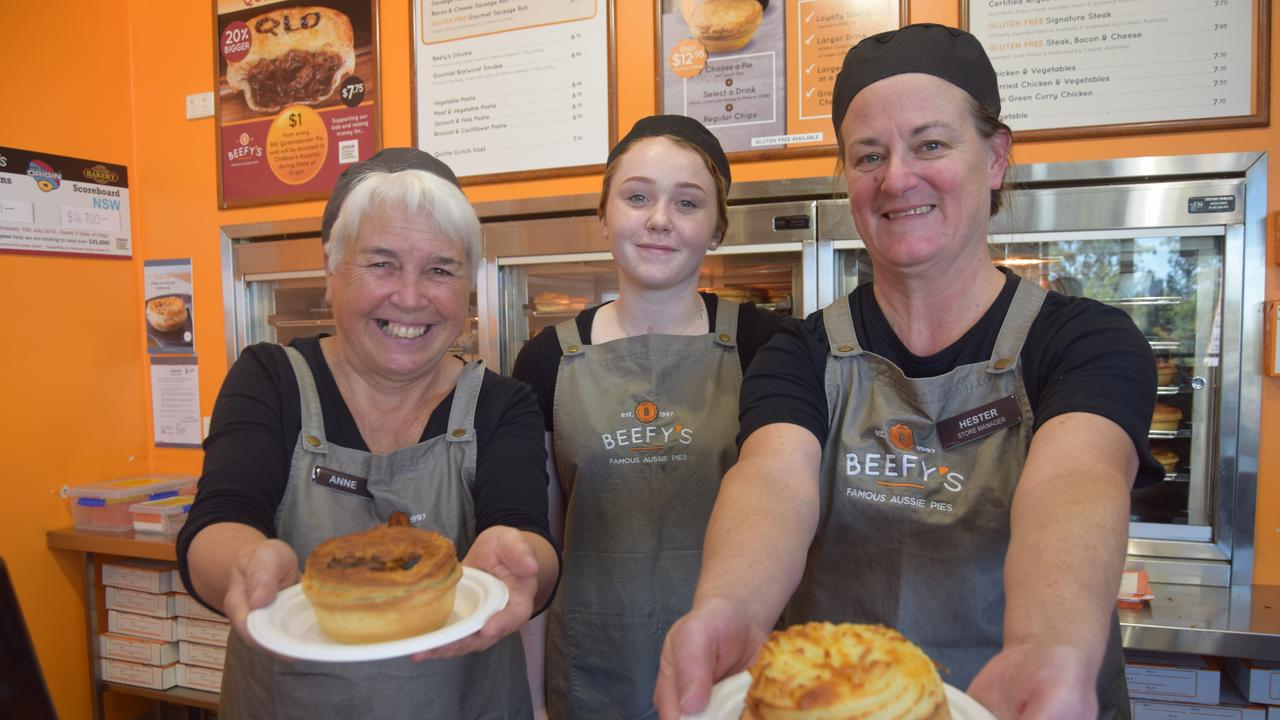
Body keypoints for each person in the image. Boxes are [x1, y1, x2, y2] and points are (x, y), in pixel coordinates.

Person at [654, 24, 1162, 720]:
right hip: (830, 703)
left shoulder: (1084, 341)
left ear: (995, 157)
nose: (896, 178)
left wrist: (1051, 645)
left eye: (930, 144)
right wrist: (729, 608)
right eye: (869, 156)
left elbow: (1077, 482)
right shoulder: (799, 351)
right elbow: (773, 480)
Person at [177, 148, 560, 719]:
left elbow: (523, 531)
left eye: (440, 269)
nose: (410, 297)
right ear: (331, 271)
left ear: (467, 289)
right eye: (381, 263)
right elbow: (220, 518)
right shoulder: (270, 380)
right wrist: (247, 565)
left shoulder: (502, 403)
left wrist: (525, 559)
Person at [511, 115, 782, 719]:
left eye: (688, 203)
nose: (659, 219)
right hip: (593, 664)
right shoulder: (546, 358)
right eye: (637, 197)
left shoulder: (769, 345)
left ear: (717, 229)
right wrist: (531, 701)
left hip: (736, 668)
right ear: (604, 214)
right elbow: (539, 546)